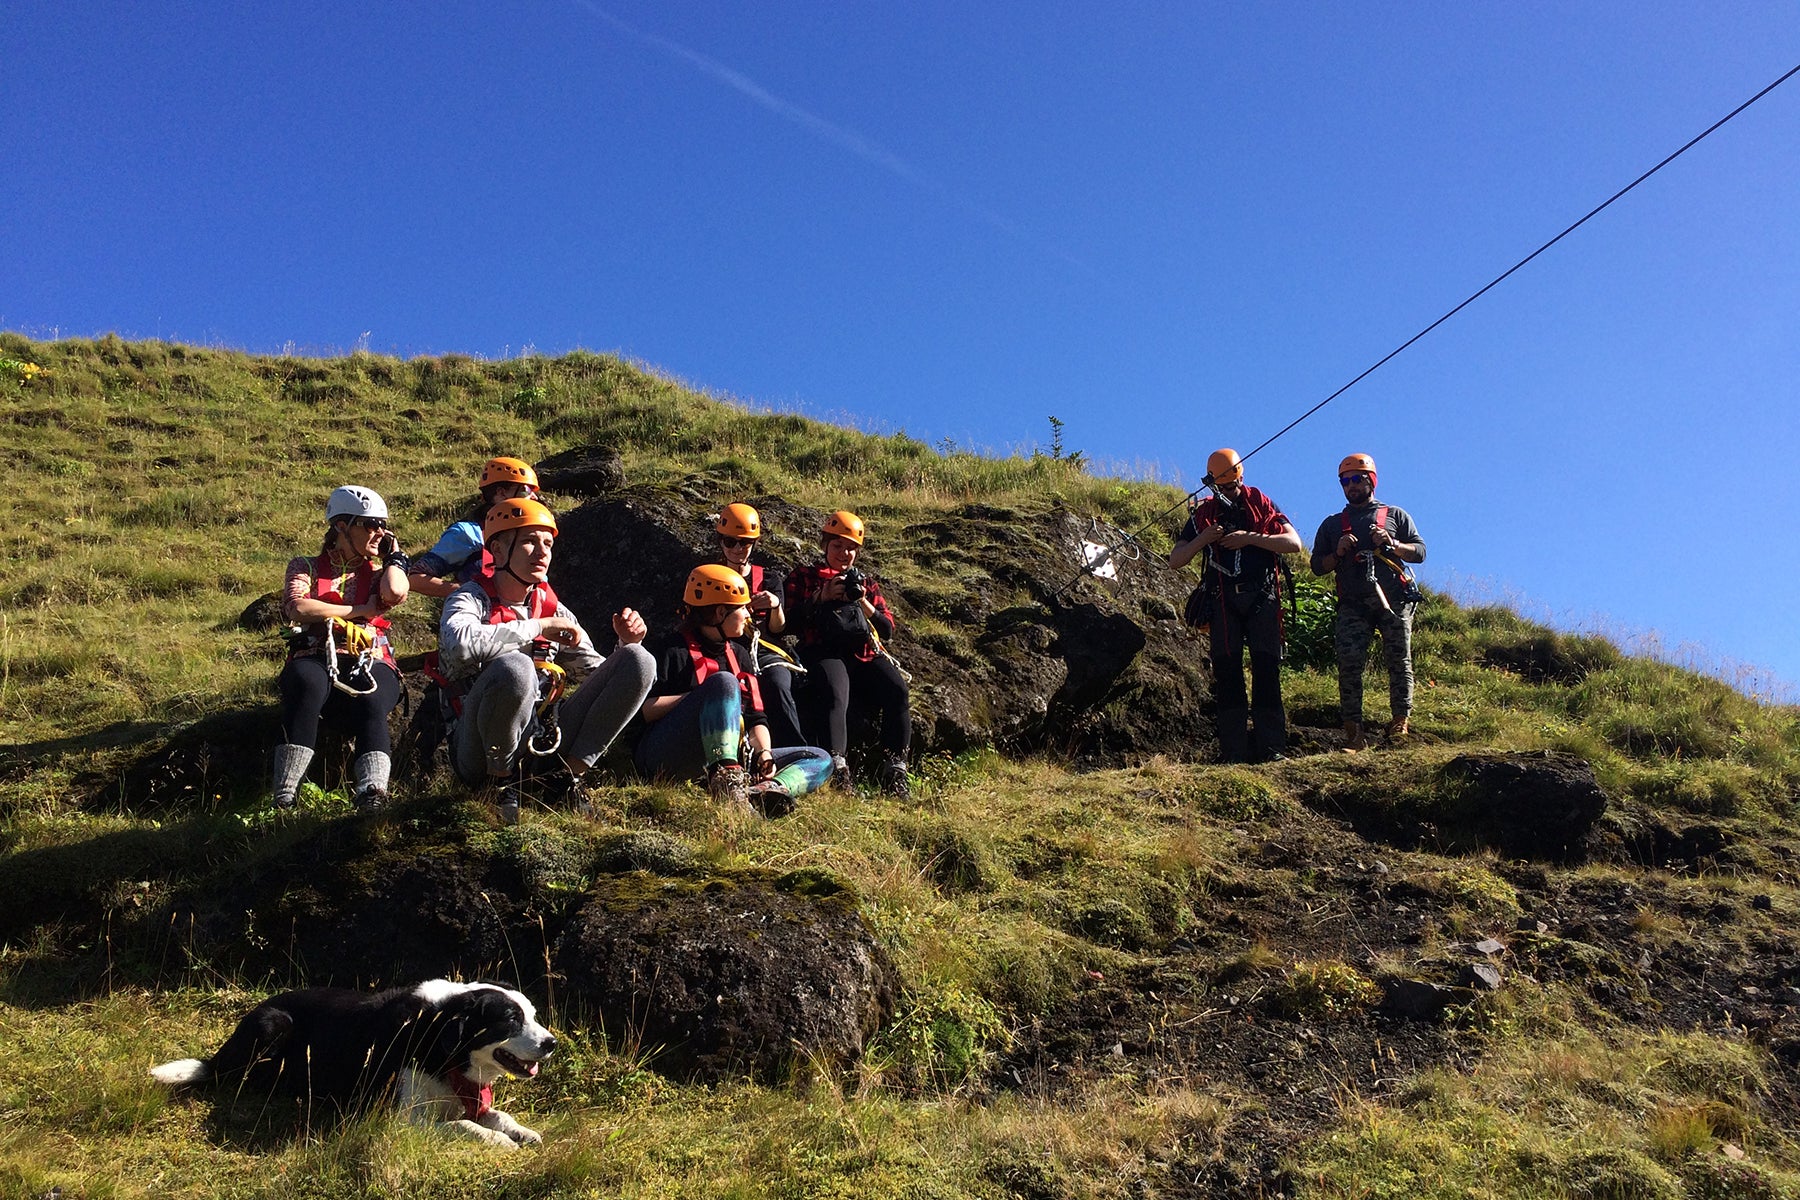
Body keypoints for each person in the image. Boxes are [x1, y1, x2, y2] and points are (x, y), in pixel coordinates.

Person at [437, 497, 656, 824]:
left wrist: (627, 643)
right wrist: (537, 627)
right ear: (498, 551)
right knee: (516, 667)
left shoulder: (554, 609)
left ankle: (567, 779)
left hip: (541, 740)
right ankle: (499, 783)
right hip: (478, 750)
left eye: (548, 544)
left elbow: (596, 674)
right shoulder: (469, 598)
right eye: (529, 542)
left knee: (639, 660)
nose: (542, 553)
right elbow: (460, 647)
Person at [634, 565, 835, 814]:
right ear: (720, 612)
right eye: (742, 608)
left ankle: (767, 790)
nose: (748, 614)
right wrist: (702, 696)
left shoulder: (739, 653)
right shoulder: (672, 650)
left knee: (819, 758)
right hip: (665, 755)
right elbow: (643, 711)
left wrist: (764, 754)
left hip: (735, 756)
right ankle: (728, 783)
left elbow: (755, 715)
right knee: (724, 681)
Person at [273, 485, 411, 811]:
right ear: (341, 527)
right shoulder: (304, 565)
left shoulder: (381, 573)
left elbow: (393, 593)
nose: (379, 532)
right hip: (314, 654)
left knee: (371, 697)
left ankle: (373, 793)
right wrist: (359, 611)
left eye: (383, 525)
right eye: (370, 524)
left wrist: (396, 557)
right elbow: (297, 607)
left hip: (370, 658)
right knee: (306, 683)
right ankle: (285, 796)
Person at [1169, 449, 1303, 764]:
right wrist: (1205, 537)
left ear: (1241, 476)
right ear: (1212, 484)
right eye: (1222, 488)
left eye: (1232, 485)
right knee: (1227, 674)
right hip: (1222, 601)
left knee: (1266, 671)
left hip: (1262, 598)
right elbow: (1176, 560)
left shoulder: (1262, 503)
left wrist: (1250, 538)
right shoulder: (1202, 513)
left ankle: (1272, 749)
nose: (1229, 492)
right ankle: (1233, 752)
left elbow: (1293, 543)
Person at [784, 510, 912, 797]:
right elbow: (787, 623)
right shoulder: (805, 577)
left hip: (864, 652)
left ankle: (896, 769)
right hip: (823, 650)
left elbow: (888, 628)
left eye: (851, 548)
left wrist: (863, 601)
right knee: (835, 693)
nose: (844, 553)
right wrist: (822, 595)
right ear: (825, 545)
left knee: (897, 690)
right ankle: (838, 768)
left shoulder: (865, 584)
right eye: (837, 546)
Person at [1310, 453, 1427, 751]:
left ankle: (1400, 722)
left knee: (1399, 660)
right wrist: (1337, 554)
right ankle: (1353, 732)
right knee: (1349, 663)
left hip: (1394, 600)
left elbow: (1420, 552)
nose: (1351, 486)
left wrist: (1392, 544)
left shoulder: (1396, 516)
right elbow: (1316, 566)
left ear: (1371, 480)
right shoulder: (1332, 525)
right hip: (1353, 603)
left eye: (1357, 479)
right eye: (1345, 481)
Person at [709, 502, 806, 747]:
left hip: (763, 650)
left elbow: (777, 629)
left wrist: (775, 605)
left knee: (776, 682)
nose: (737, 548)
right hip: (724, 648)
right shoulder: (709, 577)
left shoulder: (769, 579)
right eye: (730, 542)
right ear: (721, 542)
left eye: (744, 542)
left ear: (754, 544)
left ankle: (794, 748)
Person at [408, 457, 540, 598]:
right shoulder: (468, 533)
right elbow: (415, 579)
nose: (535, 498)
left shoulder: (535, 538)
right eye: (526, 490)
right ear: (501, 493)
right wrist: (470, 592)